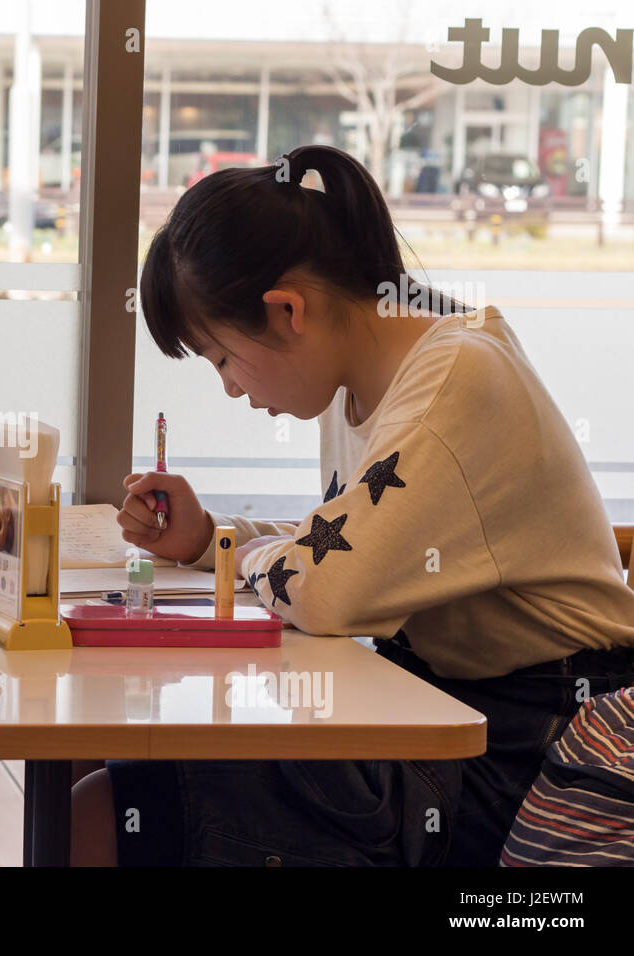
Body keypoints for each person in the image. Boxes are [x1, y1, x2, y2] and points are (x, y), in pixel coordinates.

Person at [70, 143, 634, 867]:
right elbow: (336, 546)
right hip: (446, 711)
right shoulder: (368, 378)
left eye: (220, 358)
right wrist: (210, 540)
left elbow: (328, 586)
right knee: (100, 779)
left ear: (287, 311)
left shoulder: (454, 381)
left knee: (103, 812)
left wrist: (239, 554)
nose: (231, 390)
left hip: (535, 756)